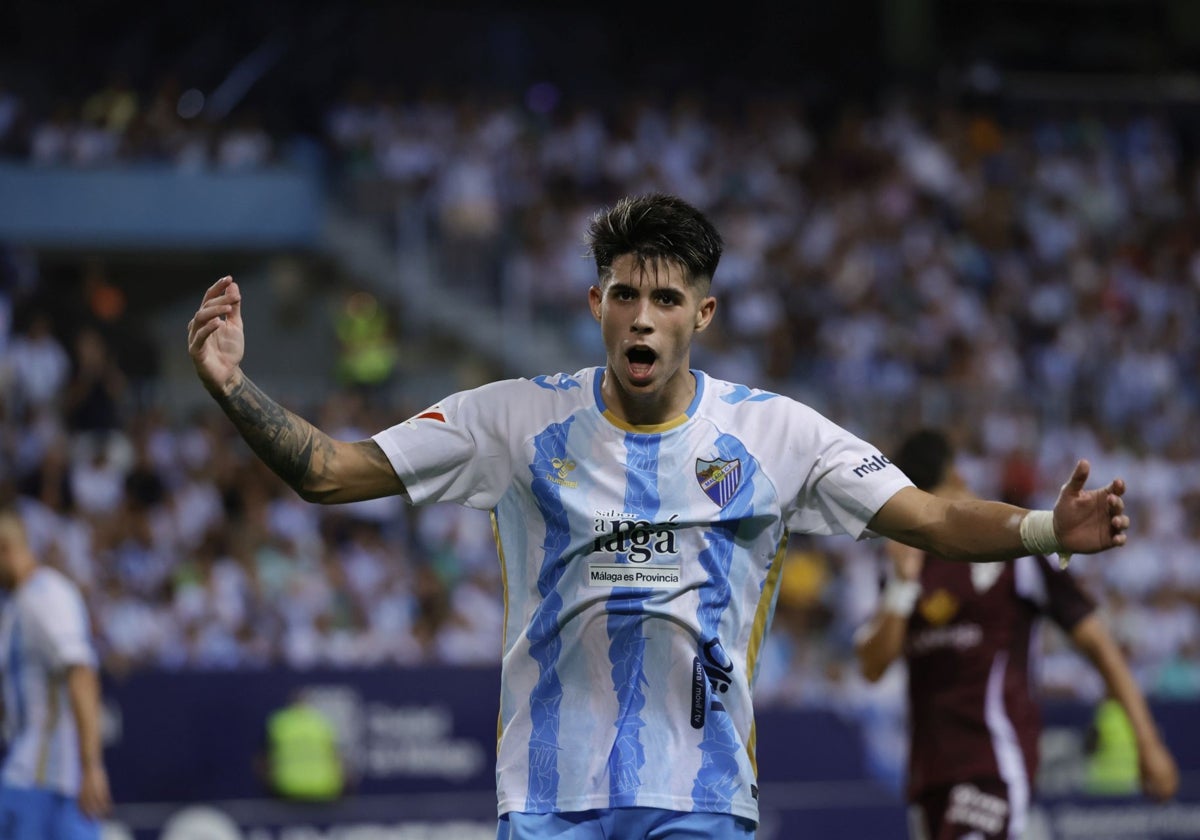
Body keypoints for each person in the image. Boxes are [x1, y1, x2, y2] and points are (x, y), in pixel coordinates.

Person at [188, 193, 1132, 840]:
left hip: (702, 800)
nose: (644, 317)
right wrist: (233, 386)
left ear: (703, 315)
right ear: (596, 301)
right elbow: (328, 471)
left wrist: (1047, 531)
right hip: (548, 800)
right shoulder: (510, 418)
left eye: (667, 298)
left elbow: (926, 518)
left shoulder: (775, 432)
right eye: (627, 294)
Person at [853, 429, 1177, 840]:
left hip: (993, 764)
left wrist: (1147, 742)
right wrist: (901, 587)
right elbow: (872, 666)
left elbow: (1097, 642)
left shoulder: (1013, 555)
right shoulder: (903, 566)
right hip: (927, 780)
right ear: (953, 476)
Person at [0, 507, 111, 840]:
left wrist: (91, 765)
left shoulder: (45, 596)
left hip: (49, 784)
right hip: (31, 778)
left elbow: (80, 672)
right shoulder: (17, 603)